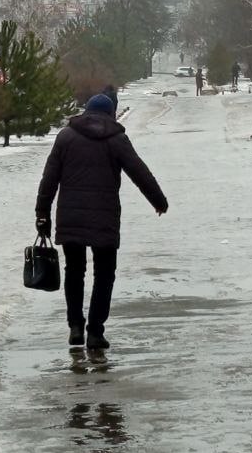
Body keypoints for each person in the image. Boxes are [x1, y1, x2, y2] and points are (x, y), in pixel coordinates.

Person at [35, 93, 168, 350]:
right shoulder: (116, 139)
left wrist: (42, 213)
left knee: (74, 271)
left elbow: (49, 178)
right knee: (104, 274)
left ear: (86, 111)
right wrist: (159, 201)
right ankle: (95, 332)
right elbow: (139, 172)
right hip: (104, 217)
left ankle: (75, 326)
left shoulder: (66, 137)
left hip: (71, 217)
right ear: (110, 114)